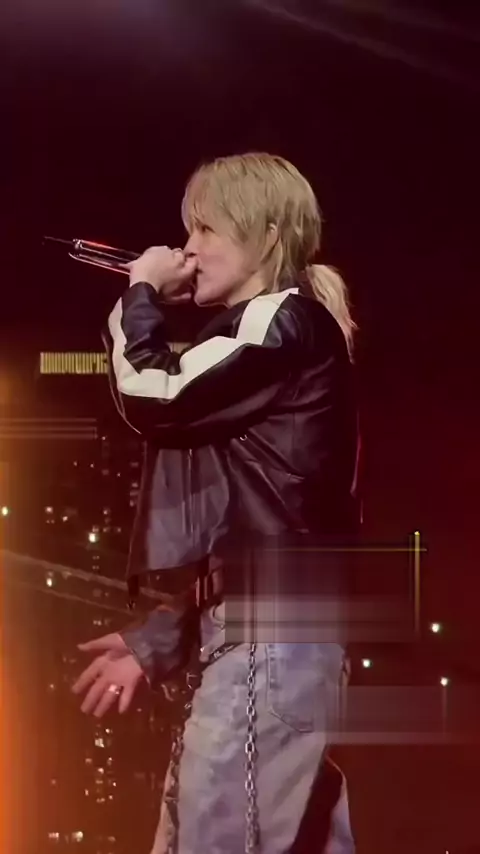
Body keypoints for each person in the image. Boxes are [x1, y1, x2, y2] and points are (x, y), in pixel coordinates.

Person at [73, 152, 361, 853]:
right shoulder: (262, 341)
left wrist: (141, 291)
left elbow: (154, 394)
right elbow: (241, 530)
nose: (189, 248)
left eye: (205, 229)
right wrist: (162, 638)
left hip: (270, 644)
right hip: (266, 642)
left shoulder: (279, 321)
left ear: (265, 234)